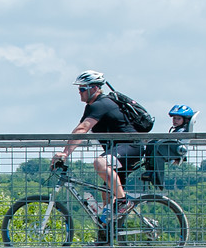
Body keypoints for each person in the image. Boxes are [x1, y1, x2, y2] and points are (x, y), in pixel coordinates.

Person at [51, 71, 141, 232]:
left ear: (94, 88)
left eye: (82, 89)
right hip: (119, 151)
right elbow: (79, 131)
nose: (79, 92)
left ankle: (124, 201)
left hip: (132, 147)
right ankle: (107, 238)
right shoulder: (92, 106)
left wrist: (64, 154)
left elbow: (82, 129)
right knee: (106, 196)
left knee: (100, 163)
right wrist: (66, 153)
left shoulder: (101, 104)